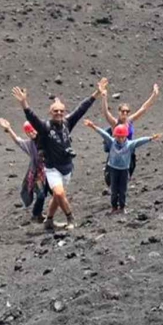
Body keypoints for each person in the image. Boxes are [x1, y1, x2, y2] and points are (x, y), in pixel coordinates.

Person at [15, 79, 107, 229]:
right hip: (52, 169)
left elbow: (81, 109)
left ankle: (49, 220)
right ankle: (71, 218)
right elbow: (32, 117)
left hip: (67, 168)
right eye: (55, 111)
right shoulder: (44, 128)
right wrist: (24, 103)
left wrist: (96, 93)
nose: (58, 113)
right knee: (58, 193)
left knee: (59, 197)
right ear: (50, 113)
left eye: (61, 111)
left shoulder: (67, 124)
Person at [84, 120, 161, 214]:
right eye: (118, 137)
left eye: (122, 137)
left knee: (122, 190)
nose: (120, 139)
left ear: (126, 136)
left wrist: (150, 138)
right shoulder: (111, 142)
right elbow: (103, 134)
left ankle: (122, 207)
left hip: (124, 170)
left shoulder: (129, 144)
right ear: (115, 136)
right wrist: (93, 126)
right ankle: (114, 207)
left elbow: (139, 141)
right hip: (113, 169)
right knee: (114, 189)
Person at [99, 82, 161, 187]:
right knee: (112, 178)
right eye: (123, 111)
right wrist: (104, 97)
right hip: (116, 153)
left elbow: (143, 108)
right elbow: (105, 113)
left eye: (127, 112)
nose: (125, 114)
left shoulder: (130, 121)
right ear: (118, 112)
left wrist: (154, 95)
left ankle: (120, 195)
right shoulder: (115, 123)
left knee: (126, 177)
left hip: (129, 153)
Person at [0, 118, 49, 222]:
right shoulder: (30, 144)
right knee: (41, 195)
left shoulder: (46, 139)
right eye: (28, 132)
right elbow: (18, 141)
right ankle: (37, 215)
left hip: (51, 171)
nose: (31, 133)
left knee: (57, 193)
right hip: (38, 174)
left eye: (33, 130)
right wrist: (9, 129)